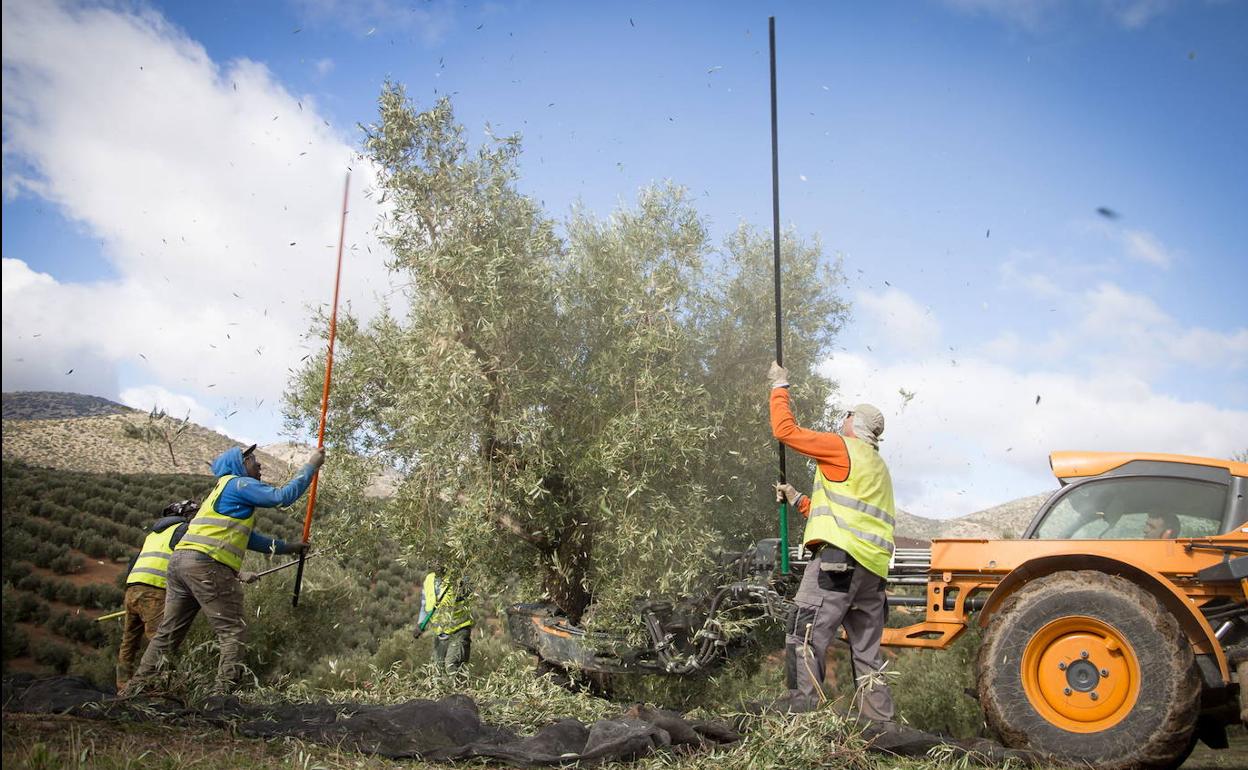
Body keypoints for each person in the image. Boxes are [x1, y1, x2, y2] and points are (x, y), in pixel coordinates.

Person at [124, 443, 325, 695]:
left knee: (167, 633)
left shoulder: (220, 492)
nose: (259, 464)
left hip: (180, 565)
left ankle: (134, 689)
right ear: (239, 465)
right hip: (206, 565)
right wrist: (311, 466)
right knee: (233, 630)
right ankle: (222, 696)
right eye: (252, 459)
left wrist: (292, 547)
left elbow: (253, 540)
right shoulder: (238, 484)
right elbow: (281, 497)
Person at [768, 361, 896, 722]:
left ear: (854, 423)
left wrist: (780, 386)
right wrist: (797, 499)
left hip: (837, 565)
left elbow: (785, 430)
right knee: (868, 655)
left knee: (803, 635)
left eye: (846, 415)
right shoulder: (877, 467)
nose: (841, 421)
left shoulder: (843, 447)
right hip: (872, 573)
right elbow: (846, 516)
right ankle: (881, 727)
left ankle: (803, 719)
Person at [115, 499, 197, 691]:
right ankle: (166, 688)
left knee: (129, 641)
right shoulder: (183, 530)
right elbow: (192, 558)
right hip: (155, 592)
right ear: (186, 515)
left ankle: (121, 685)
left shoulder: (154, 533)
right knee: (161, 641)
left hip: (133, 590)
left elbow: (135, 559)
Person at [413, 569, 473, 671]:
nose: (434, 563)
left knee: (451, 666)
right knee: (437, 670)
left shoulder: (457, 577)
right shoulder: (428, 579)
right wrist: (420, 624)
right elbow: (424, 606)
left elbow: (469, 590)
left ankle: (456, 687)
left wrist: (463, 588)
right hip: (440, 633)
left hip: (459, 630)